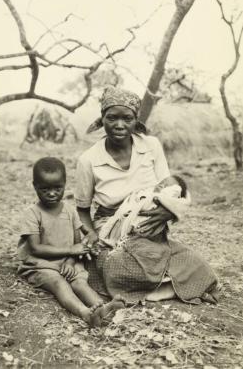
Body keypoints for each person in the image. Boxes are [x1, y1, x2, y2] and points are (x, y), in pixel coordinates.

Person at [75, 86, 219, 304]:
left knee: (197, 265)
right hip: (111, 228)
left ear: (136, 120)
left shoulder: (151, 146)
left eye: (127, 118)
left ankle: (156, 286)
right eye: (112, 118)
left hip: (150, 224)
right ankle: (167, 287)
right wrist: (93, 236)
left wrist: (166, 213)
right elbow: (82, 209)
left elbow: (169, 188)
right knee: (115, 265)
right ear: (102, 118)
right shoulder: (88, 159)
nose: (119, 125)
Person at [17, 157, 125, 327]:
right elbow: (36, 248)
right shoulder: (32, 214)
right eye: (45, 189)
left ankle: (104, 309)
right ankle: (85, 313)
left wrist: (71, 259)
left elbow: (77, 243)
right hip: (41, 264)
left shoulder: (69, 210)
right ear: (35, 186)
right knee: (59, 283)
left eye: (57, 188)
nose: (52, 193)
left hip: (67, 261)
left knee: (80, 283)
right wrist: (70, 252)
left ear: (65, 184)